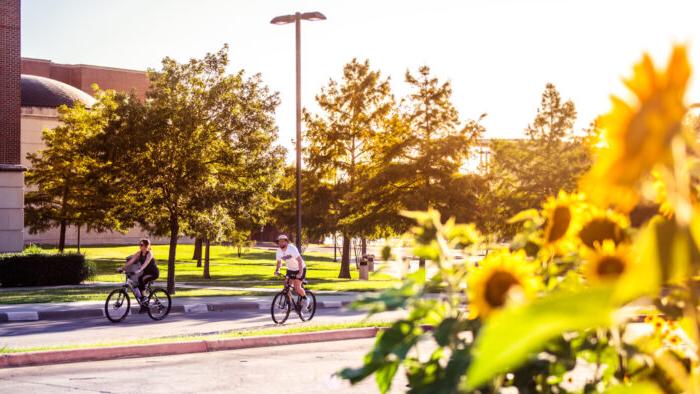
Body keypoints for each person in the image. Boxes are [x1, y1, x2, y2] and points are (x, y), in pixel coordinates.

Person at [122, 239, 159, 312]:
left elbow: (146, 263)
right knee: (137, 282)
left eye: (141, 245)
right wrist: (122, 268)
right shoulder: (139, 253)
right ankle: (144, 305)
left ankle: (144, 298)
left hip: (153, 273)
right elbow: (131, 261)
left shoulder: (149, 253)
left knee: (142, 280)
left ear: (146, 246)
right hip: (145, 273)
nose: (140, 246)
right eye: (139, 245)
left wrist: (140, 269)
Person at [273, 234, 309, 310]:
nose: (281, 243)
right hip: (290, 269)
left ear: (286, 242)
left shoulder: (291, 248)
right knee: (286, 286)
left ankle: (305, 298)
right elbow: (279, 262)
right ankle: (289, 303)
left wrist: (300, 273)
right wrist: (277, 270)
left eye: (283, 241)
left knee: (297, 287)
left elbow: (299, 260)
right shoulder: (278, 251)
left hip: (300, 268)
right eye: (279, 242)